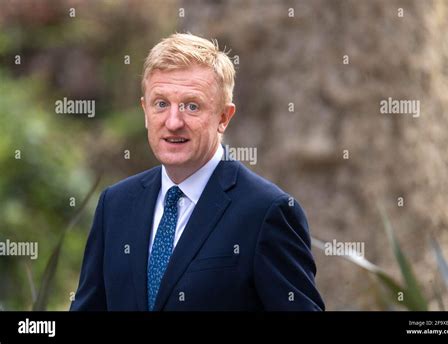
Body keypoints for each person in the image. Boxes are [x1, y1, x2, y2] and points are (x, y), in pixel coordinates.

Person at [70, 33, 324, 311]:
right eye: (161, 104)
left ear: (224, 117)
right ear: (145, 111)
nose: (174, 121)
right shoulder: (115, 205)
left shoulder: (267, 212)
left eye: (192, 106)